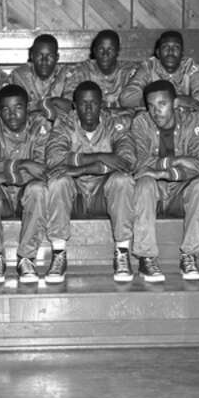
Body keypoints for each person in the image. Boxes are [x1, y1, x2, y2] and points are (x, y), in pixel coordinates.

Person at [45, 81, 136, 283]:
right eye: (83, 103)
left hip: (103, 196)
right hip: (74, 196)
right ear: (74, 106)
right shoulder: (64, 123)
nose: (88, 108)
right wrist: (103, 157)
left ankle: (122, 251)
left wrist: (81, 167)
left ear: (101, 104)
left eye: (93, 103)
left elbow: (127, 162)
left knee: (123, 180)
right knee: (58, 181)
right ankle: (59, 253)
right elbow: (54, 160)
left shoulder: (116, 124)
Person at [131, 80, 199, 282]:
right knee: (144, 183)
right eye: (151, 106)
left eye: (162, 104)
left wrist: (165, 172)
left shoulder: (193, 121)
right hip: (155, 189)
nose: (155, 111)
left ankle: (189, 255)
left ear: (175, 103)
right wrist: (179, 162)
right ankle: (146, 257)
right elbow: (140, 163)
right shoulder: (141, 122)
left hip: (180, 190)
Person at [0, 84, 50, 284]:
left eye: (18, 107)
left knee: (39, 189)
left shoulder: (40, 125)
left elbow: (42, 170)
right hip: (2, 195)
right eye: (5, 109)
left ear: (27, 107)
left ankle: (26, 257)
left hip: (27, 190)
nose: (12, 114)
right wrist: (22, 164)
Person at [120, 30, 199, 112]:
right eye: (165, 47)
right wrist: (172, 100)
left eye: (176, 47)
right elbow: (126, 99)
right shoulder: (148, 67)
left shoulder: (189, 67)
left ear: (182, 53)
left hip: (184, 121)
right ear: (158, 52)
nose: (171, 52)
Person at [63, 30, 138, 112]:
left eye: (110, 49)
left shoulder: (131, 71)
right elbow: (70, 103)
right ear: (94, 51)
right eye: (101, 49)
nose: (105, 54)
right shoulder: (80, 71)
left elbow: (141, 104)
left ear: (118, 51)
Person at [8, 34, 73, 120]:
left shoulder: (67, 74)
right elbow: (15, 110)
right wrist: (48, 104)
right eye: (39, 55)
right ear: (32, 56)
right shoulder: (19, 76)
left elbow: (73, 107)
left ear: (57, 57)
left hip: (60, 128)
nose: (44, 61)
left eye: (50, 56)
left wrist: (41, 105)